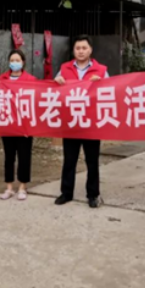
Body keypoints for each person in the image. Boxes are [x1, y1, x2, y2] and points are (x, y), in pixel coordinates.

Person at [54, 35, 109, 208]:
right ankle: (66, 193)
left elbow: (111, 91)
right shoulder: (64, 68)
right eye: (78, 48)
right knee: (69, 159)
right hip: (71, 121)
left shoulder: (101, 70)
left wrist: (101, 84)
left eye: (84, 48)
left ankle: (93, 194)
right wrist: (57, 82)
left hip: (91, 122)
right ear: (73, 50)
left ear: (90, 50)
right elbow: (55, 91)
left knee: (92, 161)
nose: (81, 51)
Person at [0, 49, 36, 201]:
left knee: (24, 156)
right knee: (9, 156)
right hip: (7, 123)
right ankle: (9, 187)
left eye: (17, 60)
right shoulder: (2, 79)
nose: (14, 63)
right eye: (12, 60)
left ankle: (22, 186)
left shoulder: (31, 80)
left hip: (24, 124)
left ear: (23, 62)